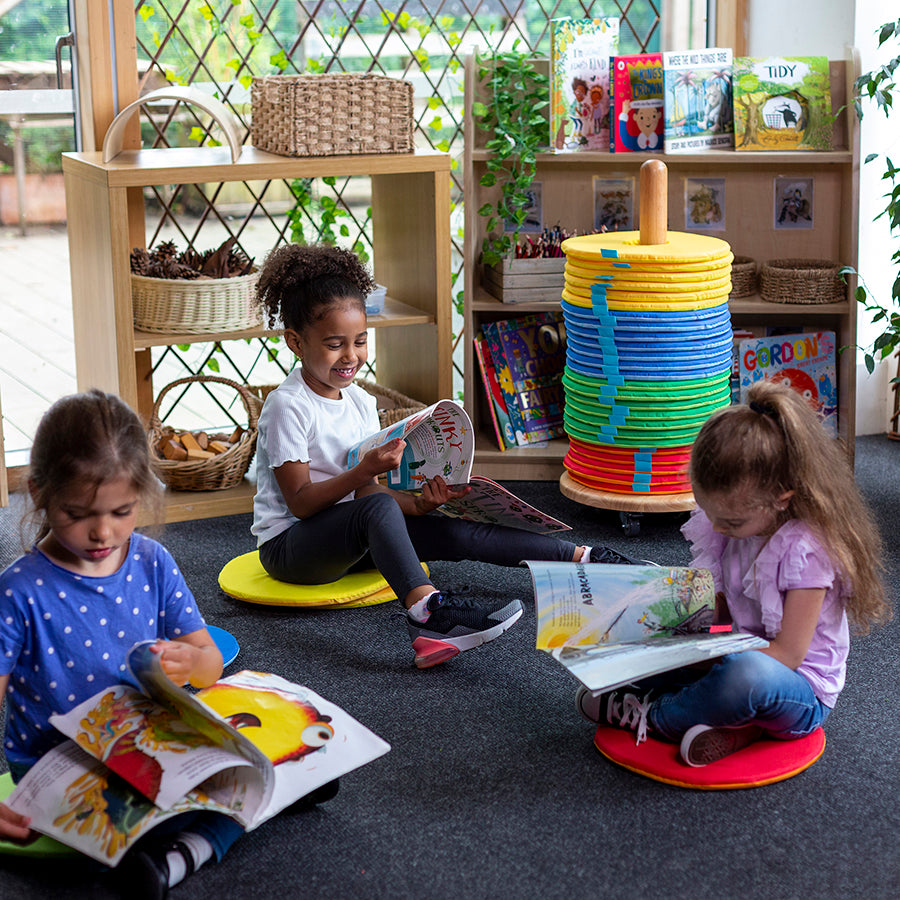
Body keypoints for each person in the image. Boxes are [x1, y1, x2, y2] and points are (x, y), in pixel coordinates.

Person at [252, 243, 636, 669]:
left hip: (350, 537)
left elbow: (366, 497)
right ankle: (430, 615)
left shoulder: (359, 401)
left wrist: (418, 505)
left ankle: (582, 558)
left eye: (360, 341)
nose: (351, 355)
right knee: (379, 504)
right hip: (293, 549)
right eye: (334, 344)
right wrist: (365, 472)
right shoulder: (288, 405)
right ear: (295, 342)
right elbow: (301, 503)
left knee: (452, 529)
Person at [0, 390, 243, 898]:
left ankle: (178, 855)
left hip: (144, 742)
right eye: (79, 513)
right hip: (54, 759)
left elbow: (210, 663)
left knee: (250, 773)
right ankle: (187, 846)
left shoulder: (152, 562)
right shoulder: (20, 589)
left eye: (123, 511)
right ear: (39, 492)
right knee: (158, 813)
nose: (103, 531)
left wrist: (191, 662)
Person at [577, 379, 891, 765]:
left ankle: (654, 716)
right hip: (739, 650)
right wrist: (684, 630)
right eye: (710, 514)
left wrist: (716, 652)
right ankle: (738, 726)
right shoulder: (735, 523)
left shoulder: (808, 552)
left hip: (797, 687)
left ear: (782, 497)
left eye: (730, 521)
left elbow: (789, 655)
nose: (718, 527)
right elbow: (725, 611)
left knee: (743, 676)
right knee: (666, 628)